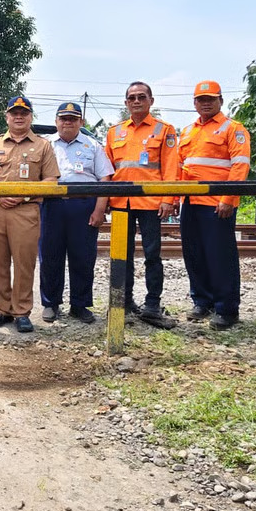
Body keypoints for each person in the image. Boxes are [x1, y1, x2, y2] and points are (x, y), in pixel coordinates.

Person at [0, 96, 60, 333]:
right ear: (7, 117)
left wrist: (24, 195)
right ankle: (3, 308)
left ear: (31, 117)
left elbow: (51, 180)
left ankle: (22, 312)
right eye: (14, 113)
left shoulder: (43, 146)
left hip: (26, 210)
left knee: (24, 263)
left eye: (23, 113)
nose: (18, 117)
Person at [177, 80, 251, 330]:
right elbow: (181, 166)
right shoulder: (187, 131)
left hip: (217, 204)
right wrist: (176, 198)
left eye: (210, 98)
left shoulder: (233, 129)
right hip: (191, 202)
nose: (205, 103)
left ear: (221, 100)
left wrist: (228, 199)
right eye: (201, 99)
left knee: (220, 257)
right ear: (194, 103)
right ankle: (202, 301)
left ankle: (227, 309)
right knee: (194, 254)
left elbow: (240, 166)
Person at [104, 82, 179, 328]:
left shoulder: (163, 130)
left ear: (151, 101)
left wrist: (169, 199)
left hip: (150, 203)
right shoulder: (114, 132)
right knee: (121, 256)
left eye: (141, 97)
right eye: (132, 98)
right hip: (121, 203)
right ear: (126, 102)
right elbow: (107, 168)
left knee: (152, 256)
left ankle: (152, 305)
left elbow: (170, 166)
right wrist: (104, 199)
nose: (136, 101)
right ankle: (123, 302)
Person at [39, 102, 113, 324]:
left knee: (83, 257)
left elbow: (105, 178)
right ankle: (50, 303)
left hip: (83, 207)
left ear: (81, 122)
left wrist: (100, 209)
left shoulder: (93, 146)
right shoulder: (45, 145)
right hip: (52, 205)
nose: (68, 122)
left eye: (73, 118)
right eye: (63, 118)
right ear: (56, 122)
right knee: (50, 256)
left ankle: (79, 304)